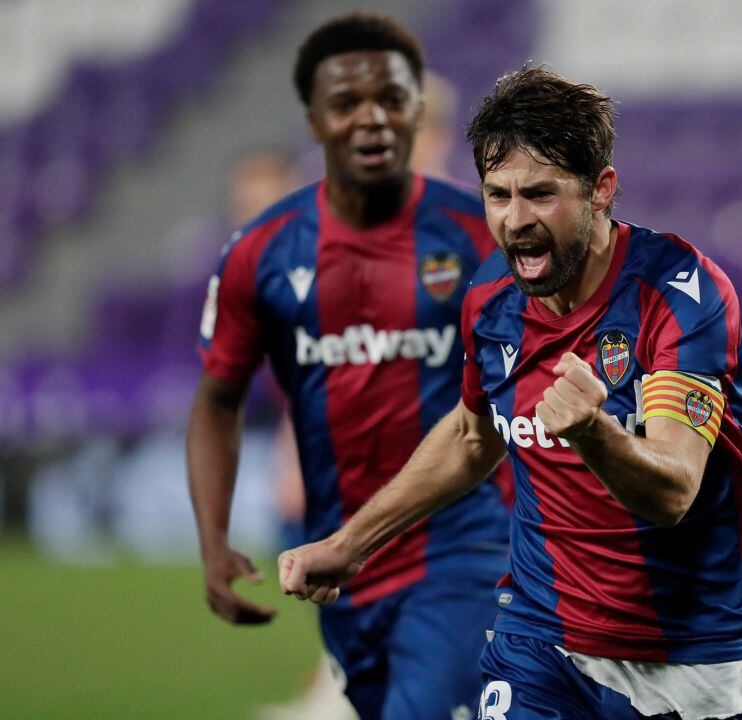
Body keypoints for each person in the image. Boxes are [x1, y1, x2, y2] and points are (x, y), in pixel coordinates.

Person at [278, 66, 742, 719]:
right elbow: (469, 437)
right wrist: (350, 545)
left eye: (540, 195)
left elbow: (674, 490)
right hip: (539, 643)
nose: (515, 221)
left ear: (601, 189)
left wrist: (593, 433)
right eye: (498, 195)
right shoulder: (490, 299)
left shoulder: (679, 294)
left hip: (691, 657)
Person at [186, 13, 511, 719]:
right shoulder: (262, 252)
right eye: (346, 104)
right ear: (314, 120)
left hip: (464, 547)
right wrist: (212, 540)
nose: (371, 121)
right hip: (339, 566)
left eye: (391, 102)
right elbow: (217, 397)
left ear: (417, 113)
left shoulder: (481, 237)